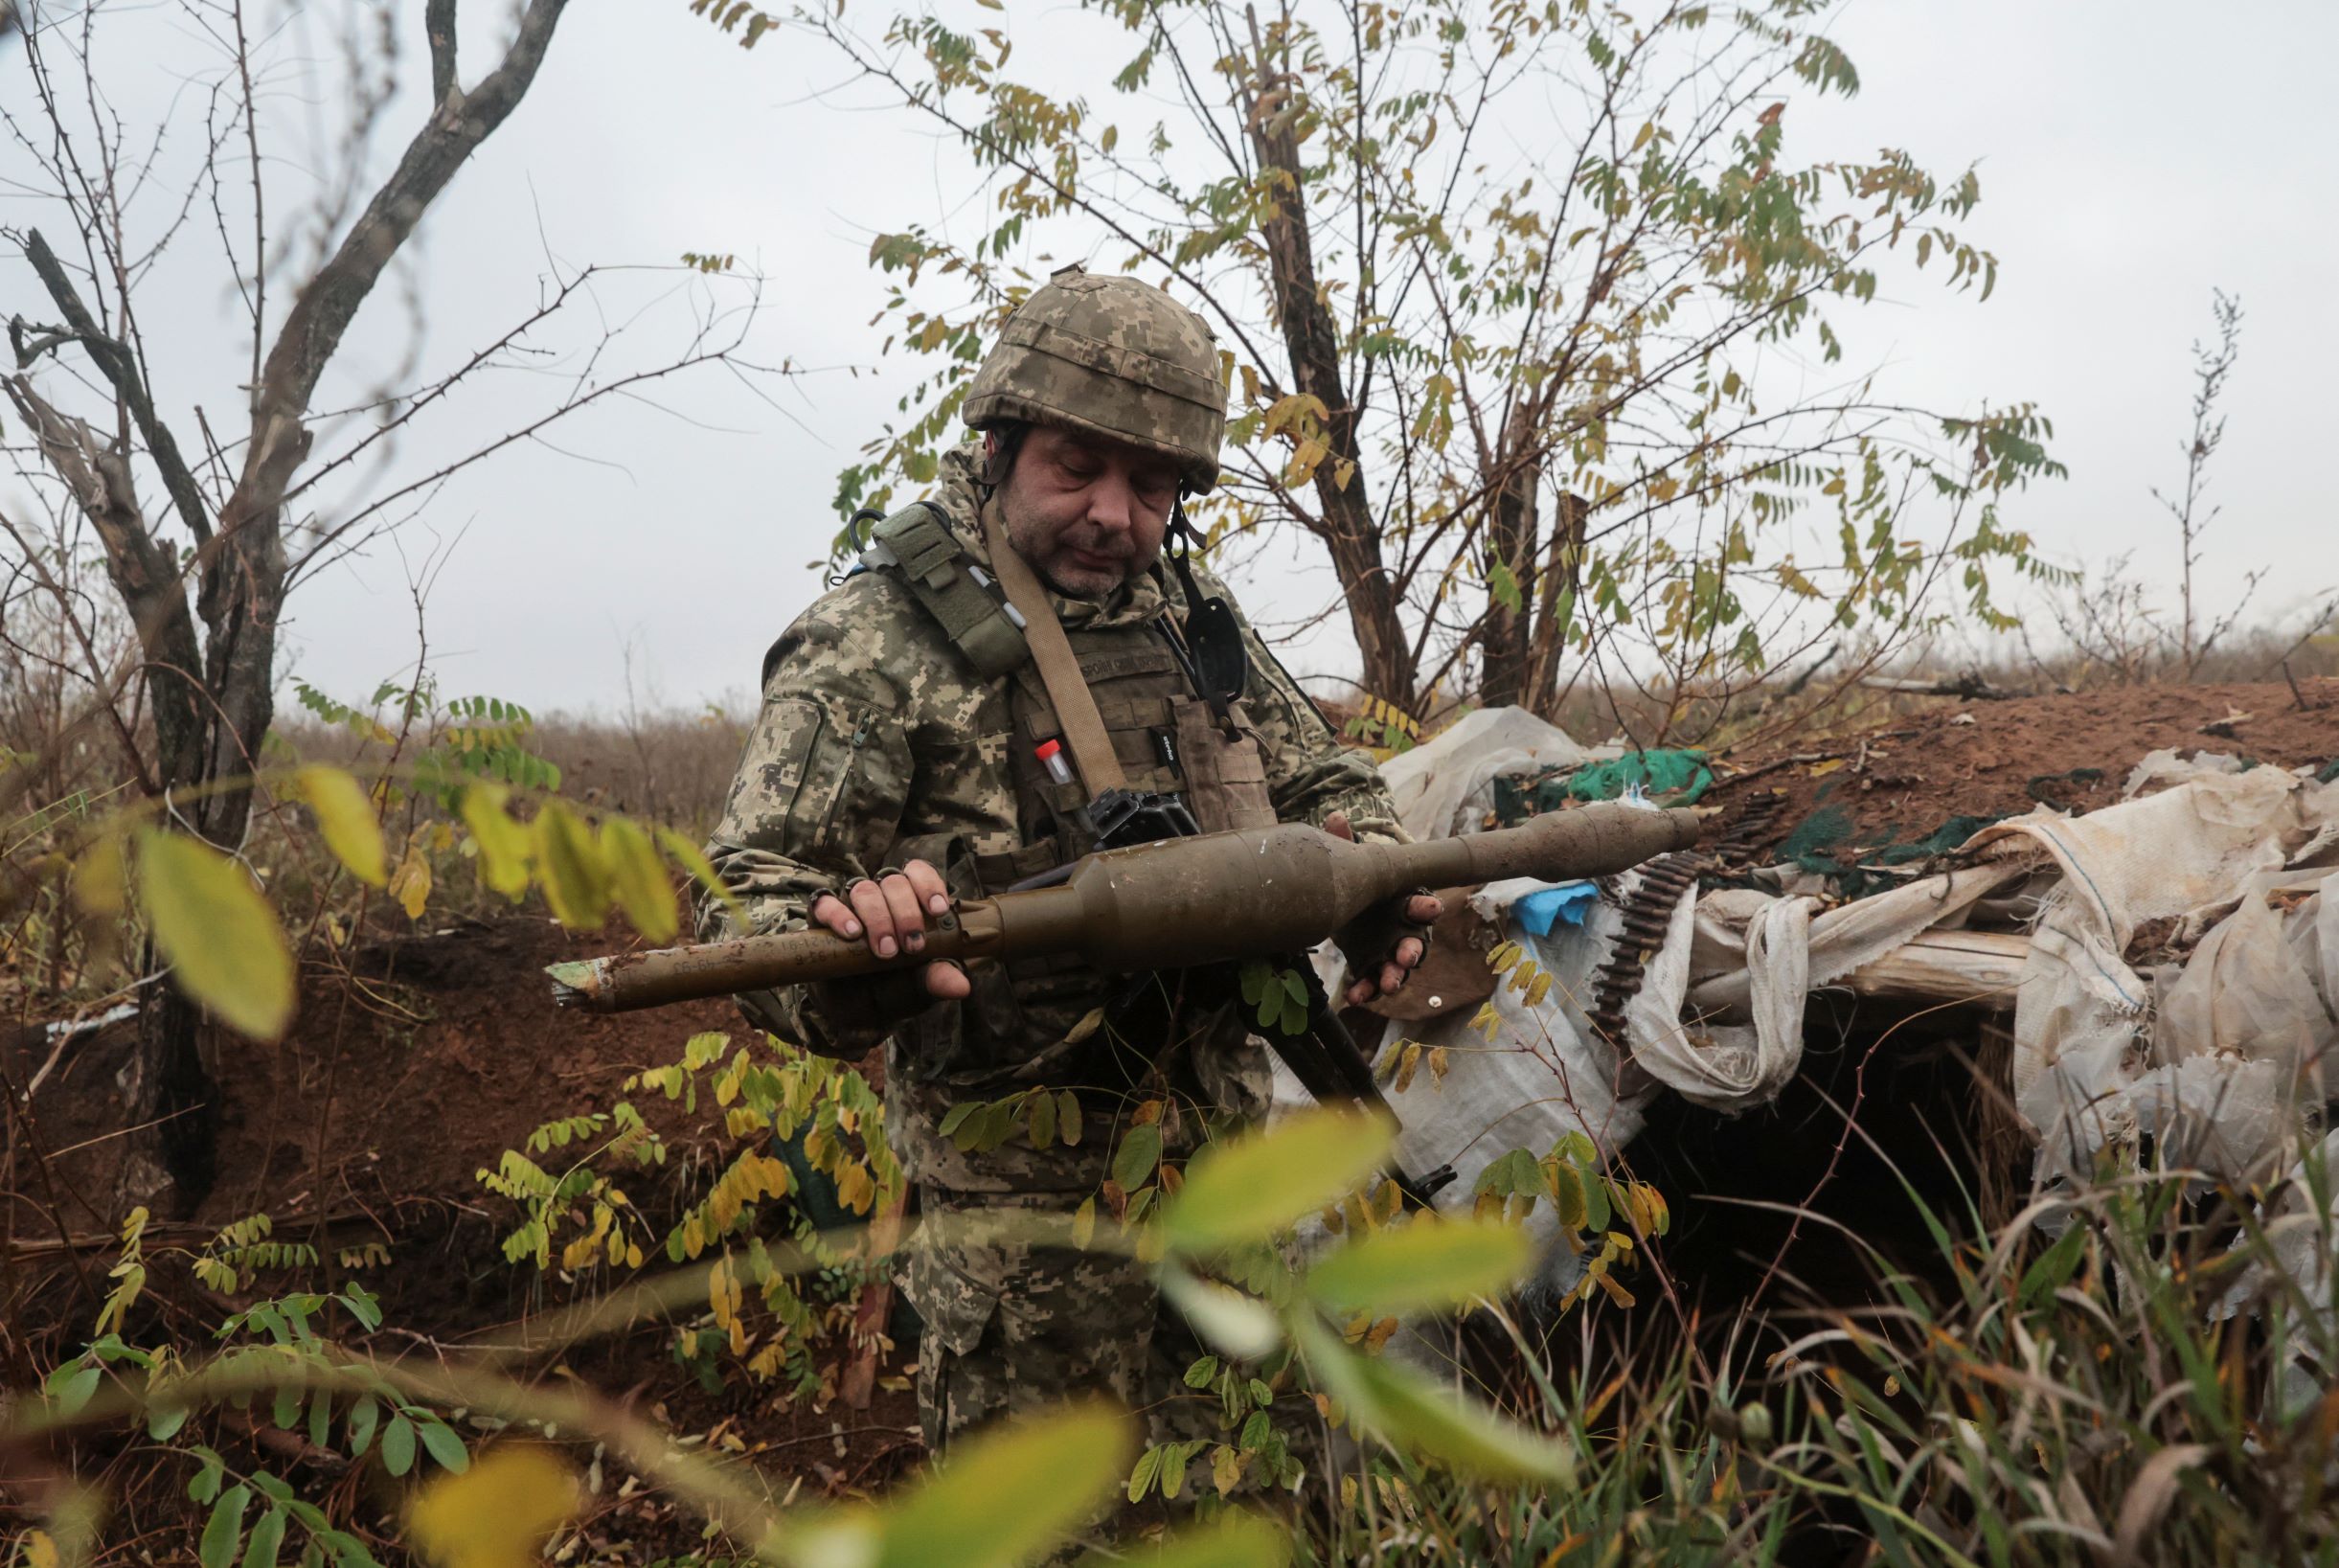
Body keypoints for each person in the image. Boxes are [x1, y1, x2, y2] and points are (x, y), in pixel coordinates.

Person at [699, 263, 1437, 1466]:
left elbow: (1324, 784)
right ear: (999, 445)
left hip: (1222, 1189)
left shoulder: (1188, 611)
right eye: (1077, 467)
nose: (1113, 514)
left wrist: (1371, 882)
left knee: (1258, 1508)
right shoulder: (877, 641)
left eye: (1152, 486)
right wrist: (859, 948)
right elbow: (746, 894)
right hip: (1022, 1240)